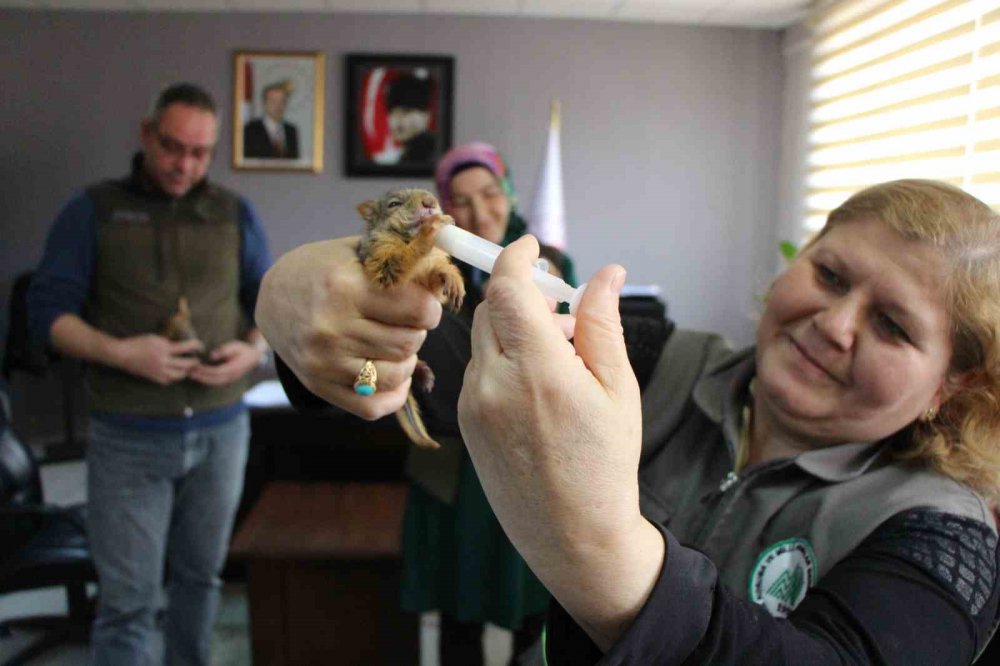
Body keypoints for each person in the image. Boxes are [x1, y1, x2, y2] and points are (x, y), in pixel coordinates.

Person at [257, 178, 1000, 665]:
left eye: (894, 326)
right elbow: (415, 370)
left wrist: (599, 550)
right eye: (830, 275)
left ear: (954, 380)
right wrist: (305, 320)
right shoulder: (662, 362)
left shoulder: (944, 538)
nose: (833, 324)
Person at [27, 82, 272, 666]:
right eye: (172, 147)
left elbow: (268, 304)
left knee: (201, 580)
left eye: (199, 152)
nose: (183, 164)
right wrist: (122, 353)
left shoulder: (234, 212)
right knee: (129, 600)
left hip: (222, 431)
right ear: (146, 134)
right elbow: (46, 315)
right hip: (129, 436)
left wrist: (253, 349)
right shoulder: (93, 209)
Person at [384, 73, 437, 164]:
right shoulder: (399, 157)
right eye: (393, 112)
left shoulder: (432, 155)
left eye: (406, 111)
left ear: (426, 116)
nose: (398, 119)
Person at [243, 80, 299, 159]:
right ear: (264, 103)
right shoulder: (250, 130)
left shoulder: (291, 131)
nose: (278, 106)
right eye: (273, 101)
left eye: (282, 101)